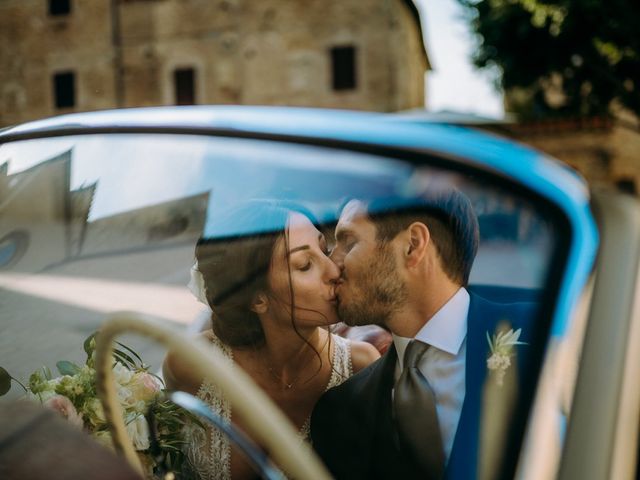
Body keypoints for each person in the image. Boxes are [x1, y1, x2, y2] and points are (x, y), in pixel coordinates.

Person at [310, 191, 536, 479]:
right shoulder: (339, 412)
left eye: (349, 242)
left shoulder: (543, 333)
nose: (332, 265)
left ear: (412, 246)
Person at [163, 199, 380, 480]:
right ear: (258, 299)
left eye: (324, 250)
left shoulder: (362, 368)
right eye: (304, 265)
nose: (333, 271)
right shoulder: (191, 364)